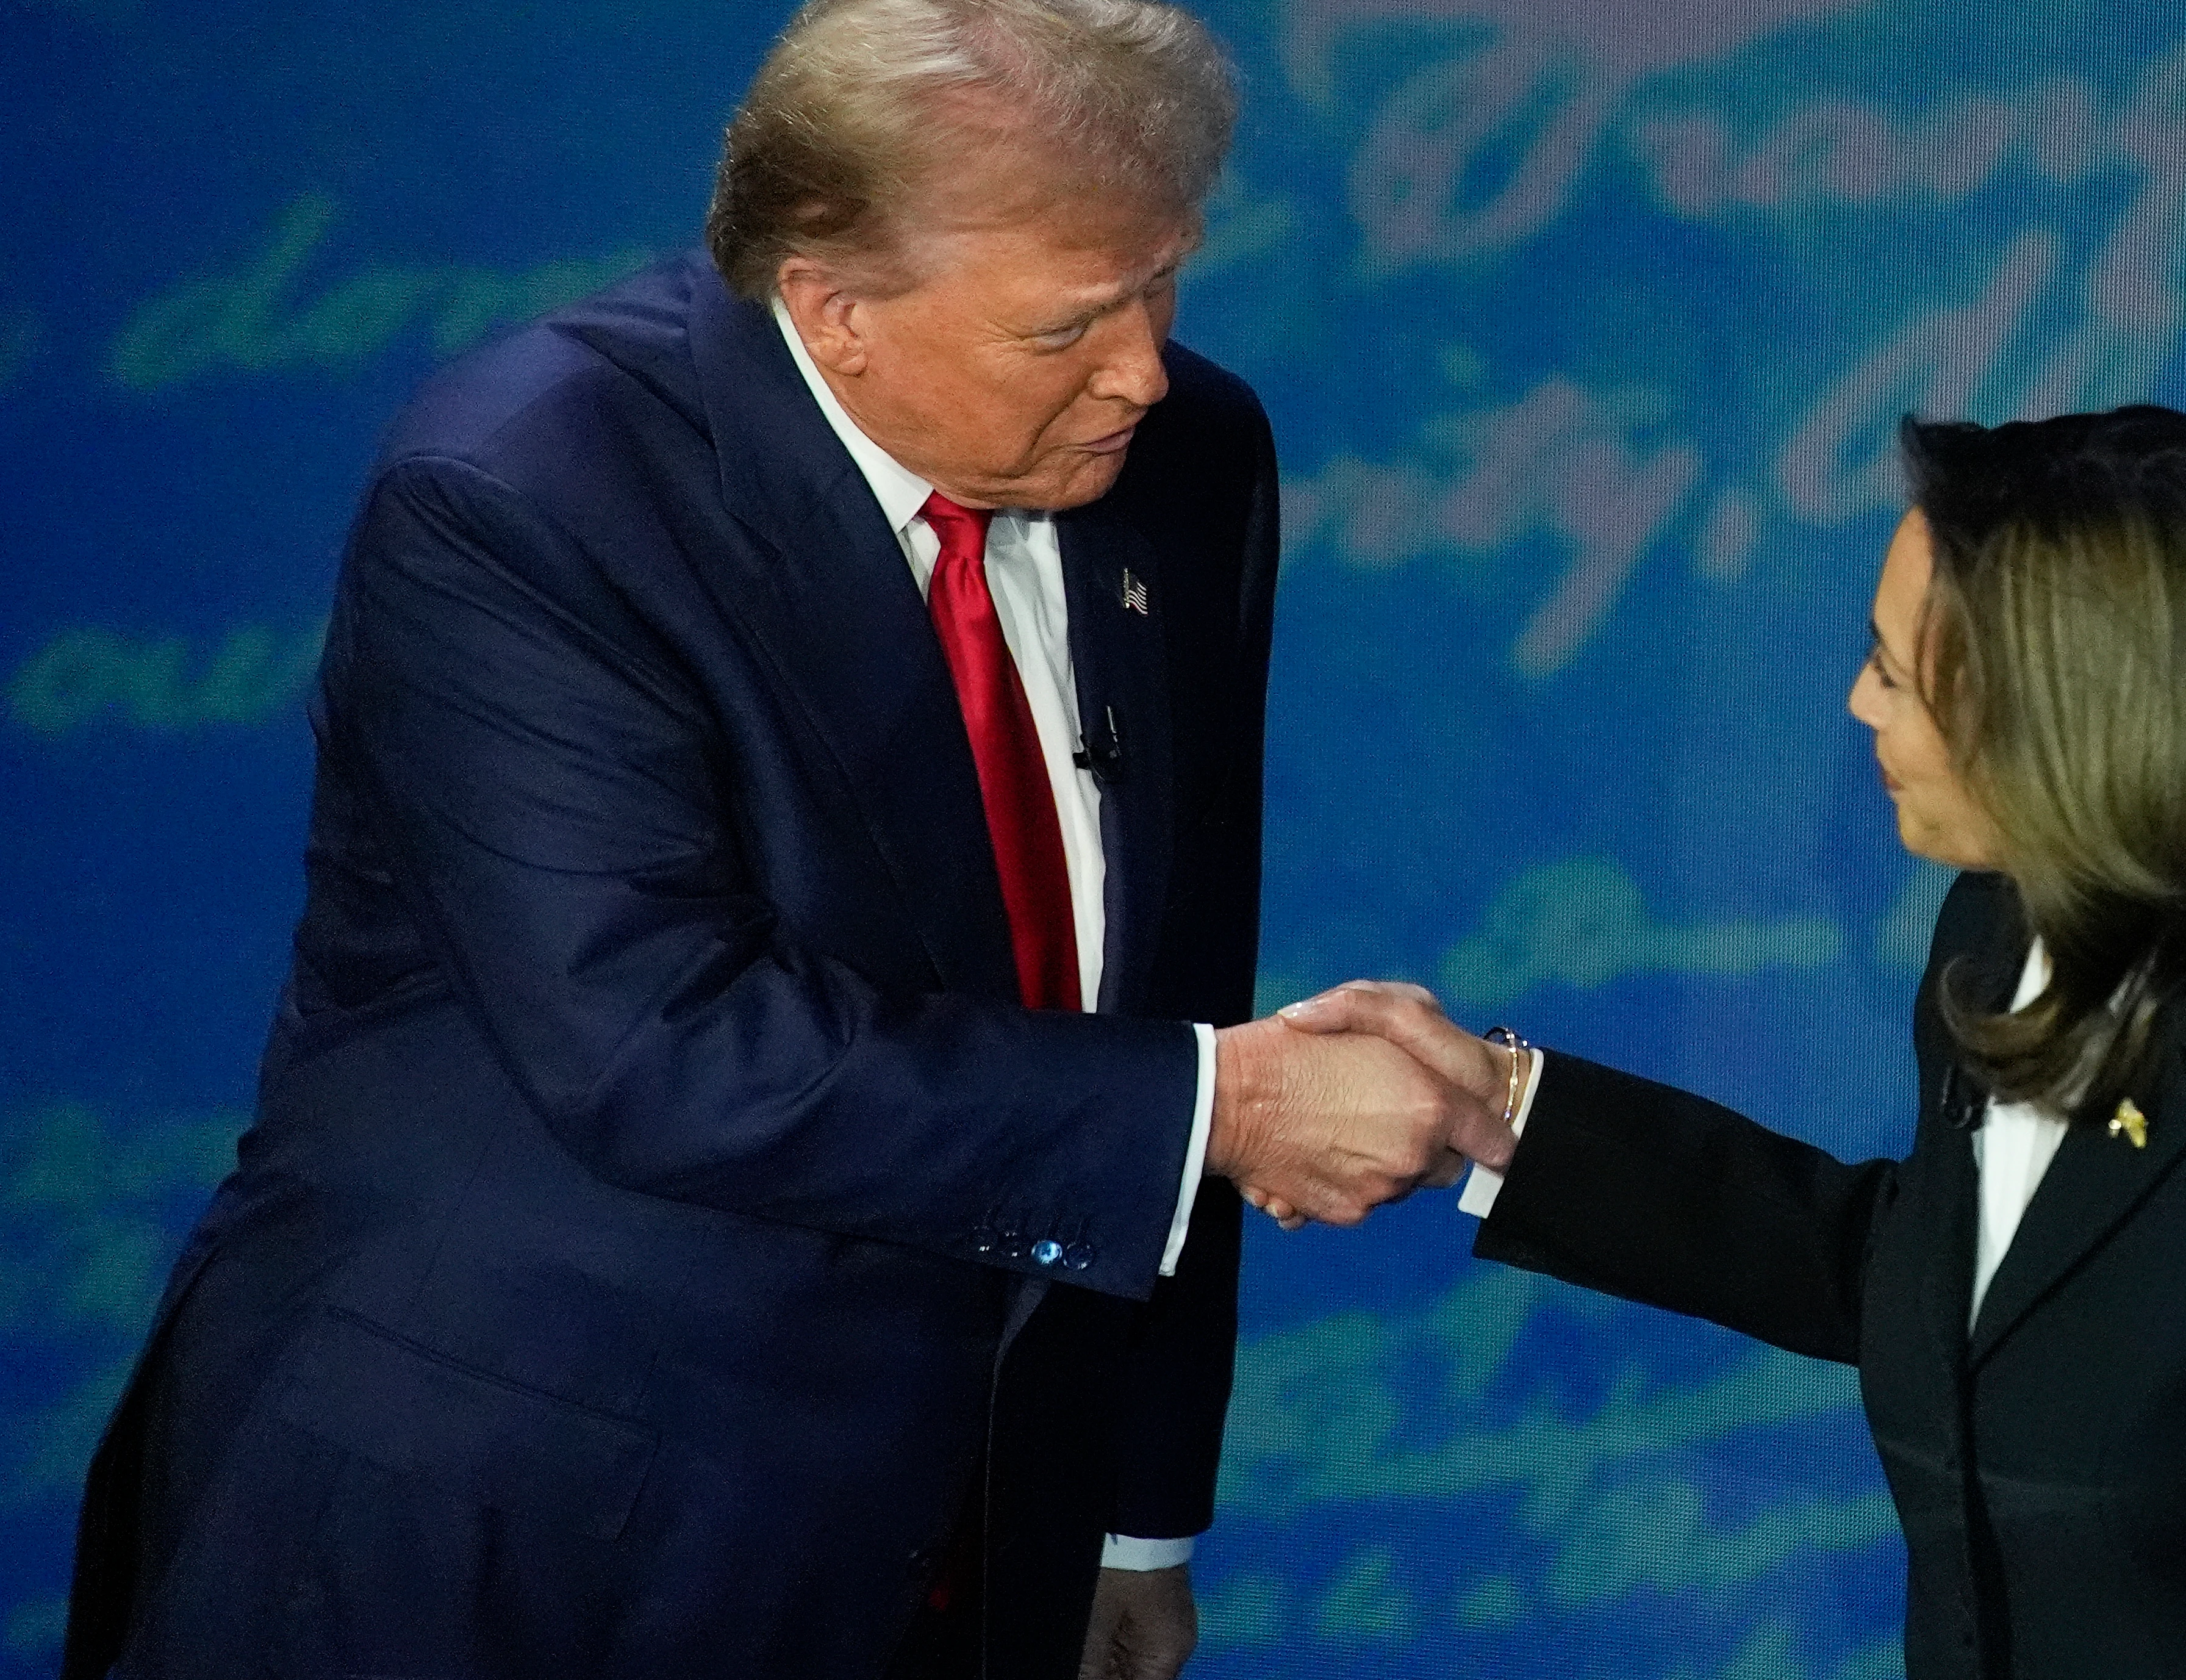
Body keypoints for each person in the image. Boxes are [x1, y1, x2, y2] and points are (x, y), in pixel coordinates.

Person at [60, 4, 1508, 1678]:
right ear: (833, 304)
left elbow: (1170, 967)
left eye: (1164, 281)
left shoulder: (1189, 461)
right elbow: (659, 1043)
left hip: (955, 1535)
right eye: (1070, 323)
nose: (1143, 366)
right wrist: (1237, 1104)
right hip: (512, 1519)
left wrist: (1129, 1505)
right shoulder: (531, 496)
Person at [1280, 407, 2186, 1679]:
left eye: (1895, 671)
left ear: (2076, 724)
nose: (1863, 709)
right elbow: (1942, 1289)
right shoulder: (1994, 933)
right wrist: (1506, 1109)